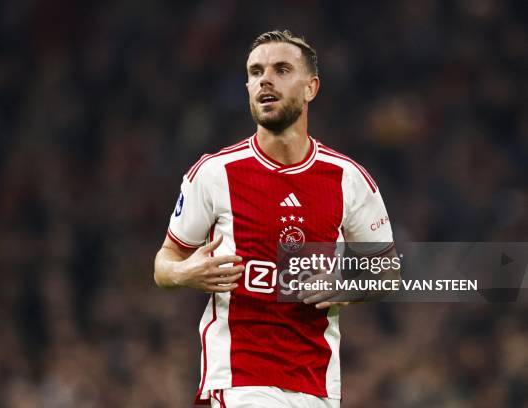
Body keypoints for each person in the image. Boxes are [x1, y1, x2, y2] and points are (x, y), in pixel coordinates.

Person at [154, 30, 398, 408]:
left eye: (281, 69)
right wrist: (184, 273)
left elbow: (387, 272)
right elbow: (164, 262)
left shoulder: (348, 179)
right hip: (238, 379)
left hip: (317, 384)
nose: (264, 79)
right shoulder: (215, 173)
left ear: (310, 88)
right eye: (255, 72)